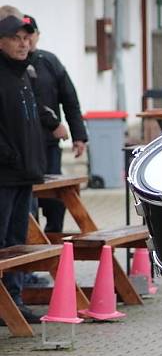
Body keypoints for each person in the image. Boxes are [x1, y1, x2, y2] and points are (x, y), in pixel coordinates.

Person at [0, 9, 45, 325]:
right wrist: (10, 156)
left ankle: (13, 300)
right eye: (15, 38)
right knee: (1, 241)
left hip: (24, 174)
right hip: (4, 174)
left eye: (25, 37)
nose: (22, 43)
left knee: (17, 242)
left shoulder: (24, 74)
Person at [24, 14, 88, 234]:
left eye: (30, 34)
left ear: (38, 36)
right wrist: (52, 123)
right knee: (28, 199)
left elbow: (70, 100)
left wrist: (79, 136)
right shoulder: (12, 65)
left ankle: (54, 239)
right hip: (24, 145)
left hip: (50, 144)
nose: (26, 40)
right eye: (21, 36)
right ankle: (30, 245)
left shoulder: (49, 61)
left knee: (55, 198)